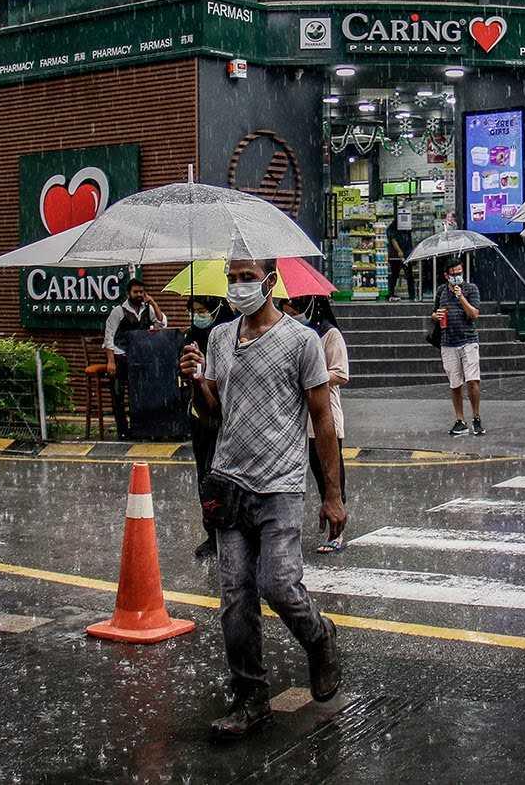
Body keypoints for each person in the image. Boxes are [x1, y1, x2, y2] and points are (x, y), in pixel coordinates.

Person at [179, 258, 343, 741]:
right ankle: (251, 699)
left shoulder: (302, 342)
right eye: (231, 277)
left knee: (278, 584)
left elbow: (323, 420)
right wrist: (198, 382)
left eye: (246, 277)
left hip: (281, 485)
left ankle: (319, 636)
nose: (237, 286)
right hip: (229, 483)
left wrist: (332, 495)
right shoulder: (219, 338)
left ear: (270, 282)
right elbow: (214, 415)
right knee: (235, 598)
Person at [282, 295, 350, 553]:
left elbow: (341, 373)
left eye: (294, 308)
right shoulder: (294, 335)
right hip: (302, 416)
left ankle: (337, 531)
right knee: (314, 468)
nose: (290, 313)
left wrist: (313, 375)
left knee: (331, 475)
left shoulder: (329, 335)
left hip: (326, 415)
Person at [184, 295, 236, 560]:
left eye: (203, 310)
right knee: (204, 475)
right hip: (200, 420)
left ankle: (232, 530)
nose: (198, 316)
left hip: (226, 419)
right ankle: (212, 533)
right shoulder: (190, 337)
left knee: (226, 477)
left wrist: (209, 369)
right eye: (194, 311)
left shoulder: (230, 335)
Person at [101, 278, 167, 439]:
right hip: (120, 357)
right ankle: (123, 431)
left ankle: (140, 428)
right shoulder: (118, 311)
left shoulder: (147, 309)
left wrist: (153, 303)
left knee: (140, 394)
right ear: (128, 293)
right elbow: (108, 337)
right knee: (118, 395)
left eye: (141, 292)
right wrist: (110, 361)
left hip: (140, 358)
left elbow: (161, 324)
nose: (139, 295)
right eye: (136, 292)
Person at [431, 259, 483, 436]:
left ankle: (476, 417)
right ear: (446, 275)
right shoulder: (441, 291)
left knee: (472, 380)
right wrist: (436, 316)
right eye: (453, 274)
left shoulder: (471, 289)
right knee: (455, 383)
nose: (457, 277)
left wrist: (460, 297)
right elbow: (434, 311)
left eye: (459, 273)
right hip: (448, 341)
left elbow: (474, 314)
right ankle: (460, 420)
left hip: (468, 340)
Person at [386, 217, 414, 301]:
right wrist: (399, 251)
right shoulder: (393, 227)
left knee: (407, 275)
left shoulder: (406, 226)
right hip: (396, 256)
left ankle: (412, 294)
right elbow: (393, 240)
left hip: (406, 253)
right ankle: (391, 293)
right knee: (395, 274)